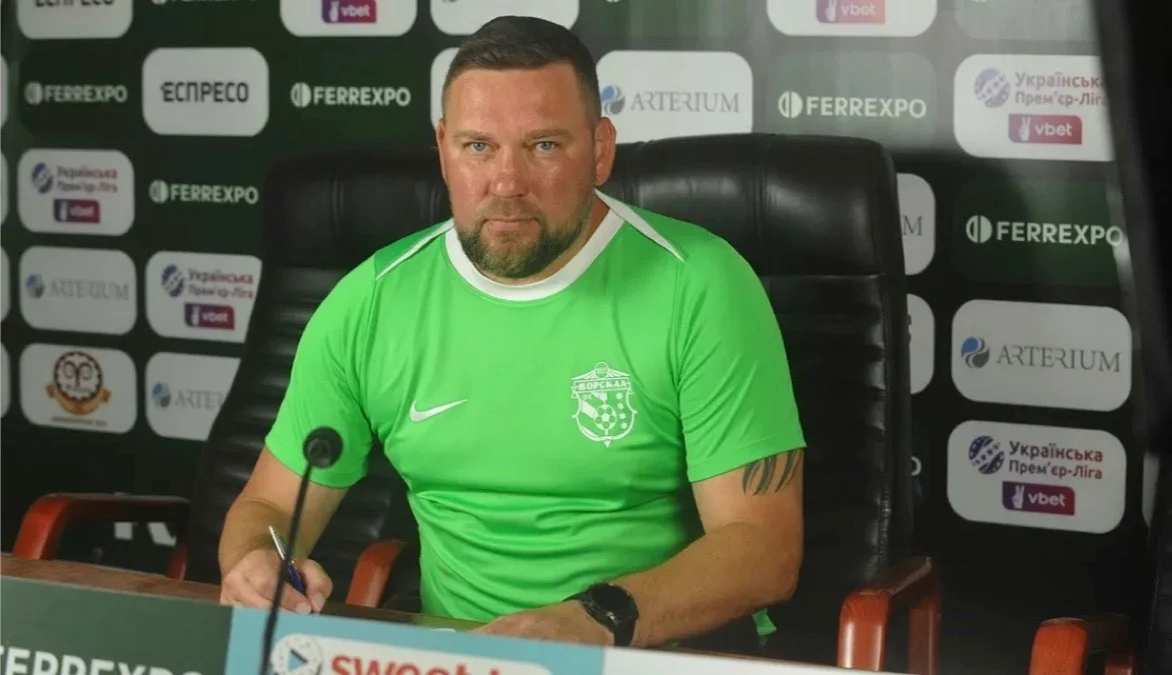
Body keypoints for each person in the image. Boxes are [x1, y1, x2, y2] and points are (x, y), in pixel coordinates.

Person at [217, 15, 805, 653]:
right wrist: (257, 562)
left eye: (544, 146)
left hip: (644, 650)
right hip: (453, 657)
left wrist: (593, 621)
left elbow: (762, 549)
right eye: (478, 146)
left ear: (600, 150)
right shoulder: (371, 300)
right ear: (443, 148)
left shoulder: (701, 285)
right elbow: (269, 508)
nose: (506, 183)